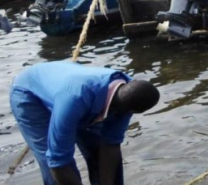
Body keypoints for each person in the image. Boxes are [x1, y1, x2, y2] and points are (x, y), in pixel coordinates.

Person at [10, 61, 160, 185]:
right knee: (51, 159)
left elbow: (110, 144)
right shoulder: (74, 100)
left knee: (98, 153)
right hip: (30, 95)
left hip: (77, 94)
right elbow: (58, 161)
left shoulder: (130, 93)